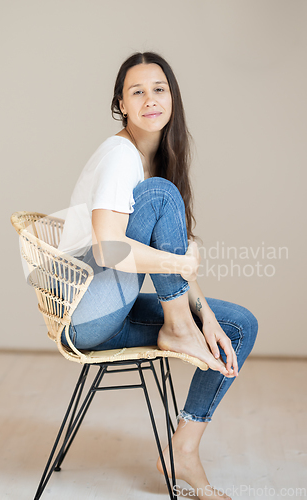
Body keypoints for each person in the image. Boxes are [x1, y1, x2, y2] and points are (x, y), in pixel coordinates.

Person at [58, 52, 258, 500]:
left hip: (114, 308)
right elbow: (107, 248)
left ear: (172, 98)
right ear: (121, 104)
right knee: (160, 196)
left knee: (237, 326)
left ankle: (183, 450)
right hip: (87, 314)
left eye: (159, 89)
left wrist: (203, 314)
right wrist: (181, 268)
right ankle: (177, 327)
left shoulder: (154, 166)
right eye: (137, 91)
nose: (150, 99)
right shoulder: (121, 157)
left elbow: (170, 263)